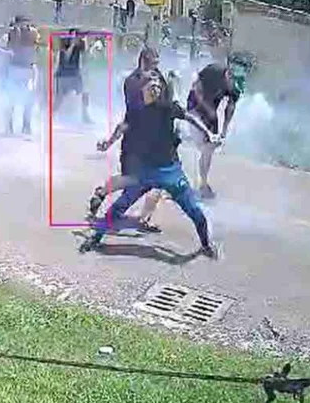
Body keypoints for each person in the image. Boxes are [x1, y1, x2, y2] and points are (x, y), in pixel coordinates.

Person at [80, 73, 220, 258]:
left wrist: (207, 132)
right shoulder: (135, 110)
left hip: (170, 171)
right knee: (119, 206)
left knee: (194, 211)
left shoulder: (167, 107)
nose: (156, 89)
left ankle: (206, 245)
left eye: (158, 86)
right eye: (151, 85)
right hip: (145, 171)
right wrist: (108, 143)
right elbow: (122, 127)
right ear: (142, 89)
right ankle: (95, 239)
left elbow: (189, 117)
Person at [88, 46, 166, 230]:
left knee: (156, 180)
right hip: (135, 142)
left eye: (156, 65)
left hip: (155, 140)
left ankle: (143, 217)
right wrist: (110, 141)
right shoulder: (133, 83)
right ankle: (102, 193)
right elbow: (130, 118)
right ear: (143, 61)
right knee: (135, 180)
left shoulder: (158, 79)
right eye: (152, 64)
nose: (154, 69)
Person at [185, 55, 249, 199]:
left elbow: (230, 106)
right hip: (194, 107)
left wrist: (224, 130)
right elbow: (196, 89)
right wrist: (207, 109)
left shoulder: (237, 84)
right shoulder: (213, 71)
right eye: (233, 83)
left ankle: (202, 183)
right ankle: (193, 181)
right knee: (205, 145)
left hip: (211, 112)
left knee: (210, 147)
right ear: (229, 75)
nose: (234, 87)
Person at [3, 15, 40, 136]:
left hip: (27, 68)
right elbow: (5, 47)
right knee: (11, 98)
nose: (26, 25)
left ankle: (26, 125)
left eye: (27, 23)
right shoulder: (12, 33)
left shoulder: (33, 33)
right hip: (14, 68)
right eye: (23, 23)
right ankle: (9, 125)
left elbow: (36, 47)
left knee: (29, 99)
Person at [54, 29, 92, 124]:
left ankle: (85, 115)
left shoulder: (80, 45)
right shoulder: (64, 42)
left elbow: (86, 56)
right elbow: (66, 56)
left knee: (85, 93)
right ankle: (52, 116)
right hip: (63, 74)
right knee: (59, 98)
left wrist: (84, 42)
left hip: (75, 74)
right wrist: (73, 44)